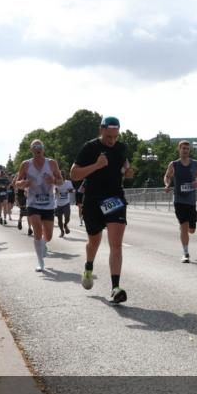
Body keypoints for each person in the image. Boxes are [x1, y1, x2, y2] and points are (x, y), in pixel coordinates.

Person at [71, 116, 135, 302]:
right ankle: (88, 267)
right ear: (101, 130)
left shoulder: (121, 148)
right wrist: (96, 165)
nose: (112, 140)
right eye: (108, 136)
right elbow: (74, 175)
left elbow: (126, 166)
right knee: (94, 241)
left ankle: (115, 287)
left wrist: (129, 171)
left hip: (114, 199)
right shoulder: (89, 148)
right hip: (93, 200)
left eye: (115, 136)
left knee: (116, 244)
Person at [16, 139, 63, 271]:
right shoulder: (25, 164)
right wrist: (23, 183)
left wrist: (53, 180)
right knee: (36, 227)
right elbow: (17, 182)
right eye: (35, 147)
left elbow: (60, 181)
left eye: (40, 146)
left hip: (48, 203)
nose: (37, 148)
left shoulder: (52, 163)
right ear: (31, 150)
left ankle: (43, 243)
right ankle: (40, 262)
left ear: (43, 149)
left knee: (48, 236)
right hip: (33, 202)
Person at [164, 141, 197, 262]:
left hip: (191, 200)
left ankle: (184, 230)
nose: (185, 150)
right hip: (179, 199)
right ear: (179, 149)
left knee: (192, 230)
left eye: (187, 148)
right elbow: (167, 176)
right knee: (184, 226)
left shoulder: (194, 163)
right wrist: (167, 184)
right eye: (183, 148)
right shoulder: (174, 164)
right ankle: (186, 253)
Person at [55, 172, 75, 237]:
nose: (61, 179)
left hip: (66, 203)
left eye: (63, 177)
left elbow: (73, 190)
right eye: (60, 177)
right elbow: (53, 191)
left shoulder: (68, 182)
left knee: (67, 217)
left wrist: (68, 191)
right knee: (59, 219)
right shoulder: (55, 183)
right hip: (58, 204)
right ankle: (62, 231)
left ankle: (65, 224)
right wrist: (56, 192)